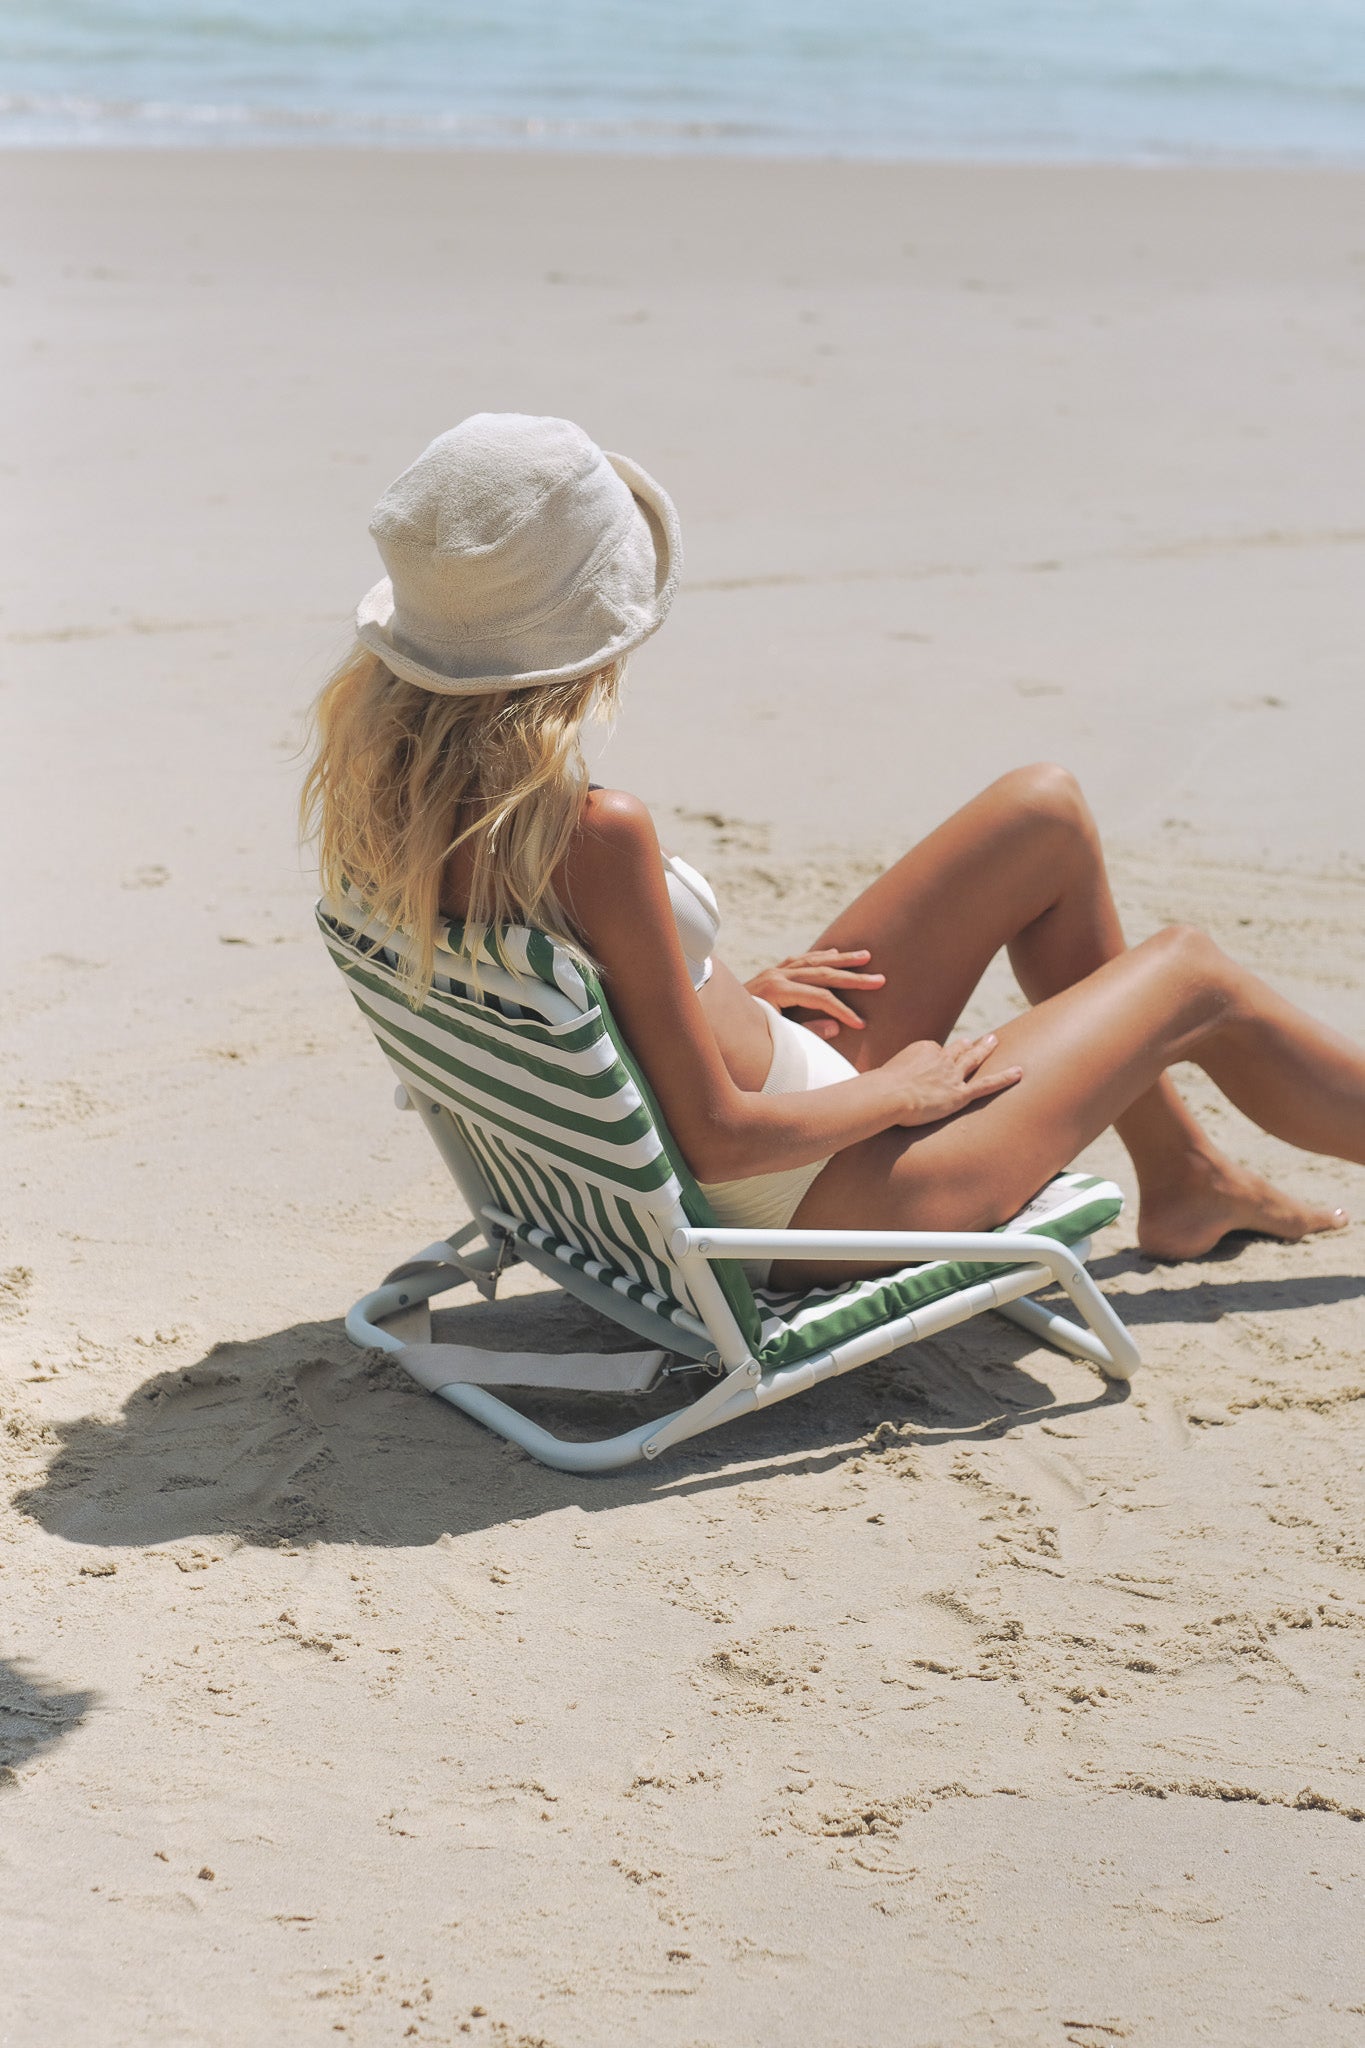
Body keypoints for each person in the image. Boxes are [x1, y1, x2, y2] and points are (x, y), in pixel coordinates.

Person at [302, 412, 1359, 1291]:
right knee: (1191, 974)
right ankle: (1189, 1174)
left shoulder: (388, 808)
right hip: (817, 1197)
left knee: (1043, 812)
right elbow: (717, 1142)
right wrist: (905, 1089)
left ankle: (1183, 1177)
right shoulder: (593, 831)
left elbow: (594, 1006)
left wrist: (709, 993)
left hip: (777, 1107)